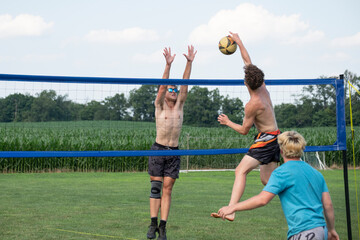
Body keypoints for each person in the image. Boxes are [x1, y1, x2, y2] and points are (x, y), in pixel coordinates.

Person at [216, 131, 340, 240]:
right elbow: (328, 205)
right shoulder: (316, 173)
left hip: (304, 232)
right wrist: (331, 230)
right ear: (301, 149)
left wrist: (233, 207)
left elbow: (262, 199)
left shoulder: (281, 172)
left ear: (280, 150)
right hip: (321, 229)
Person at [211, 31, 280, 221]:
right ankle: (298, 193)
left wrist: (227, 122)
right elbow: (248, 62)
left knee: (240, 171)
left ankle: (231, 210)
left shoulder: (252, 104)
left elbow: (243, 131)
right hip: (274, 137)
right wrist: (239, 42)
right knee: (267, 180)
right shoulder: (263, 87)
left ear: (246, 83)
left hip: (266, 139)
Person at [147, 45, 197, 240]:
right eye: (171, 88)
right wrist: (167, 65)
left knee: (168, 190)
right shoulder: (159, 106)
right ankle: (152, 224)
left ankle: (163, 227)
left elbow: (184, 84)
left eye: (174, 89)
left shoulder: (179, 106)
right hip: (158, 150)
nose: (174, 90)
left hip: (173, 151)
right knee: (156, 189)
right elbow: (161, 86)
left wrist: (189, 62)